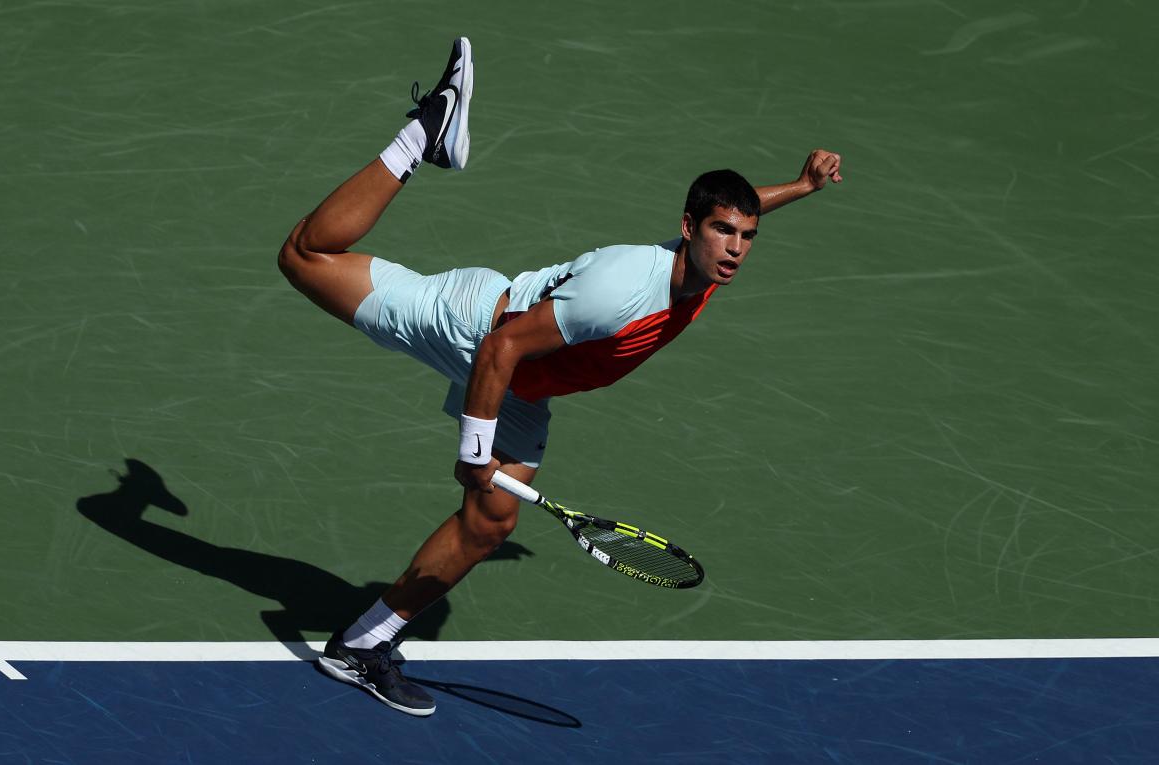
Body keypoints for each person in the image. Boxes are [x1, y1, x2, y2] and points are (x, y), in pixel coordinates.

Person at [278, 37, 842, 717]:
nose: (735, 249)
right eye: (723, 232)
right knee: (305, 254)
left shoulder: (707, 261)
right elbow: (499, 347)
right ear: (687, 226)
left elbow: (743, 211)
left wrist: (801, 187)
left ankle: (361, 644)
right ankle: (426, 131)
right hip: (474, 326)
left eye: (745, 236)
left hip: (525, 385)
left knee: (489, 524)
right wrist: (473, 452)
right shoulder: (620, 292)